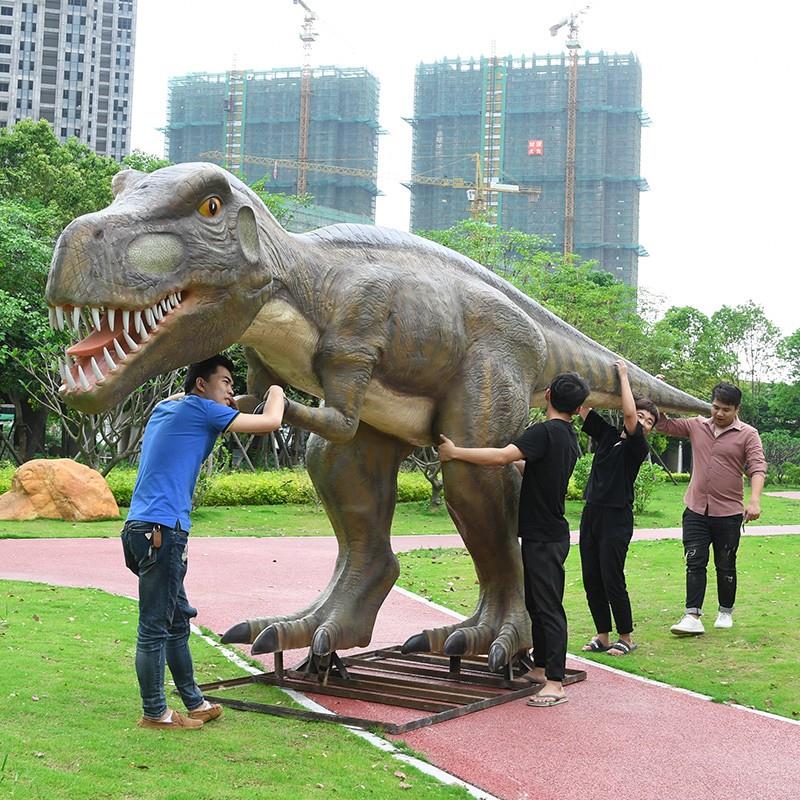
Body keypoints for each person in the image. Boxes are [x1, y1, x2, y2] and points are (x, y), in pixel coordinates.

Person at [121, 354, 286, 729]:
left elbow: (230, 407)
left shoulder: (169, 407)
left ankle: (194, 703)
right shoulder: (202, 412)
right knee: (154, 628)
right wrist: (278, 389)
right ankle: (155, 713)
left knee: (177, 621)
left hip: (139, 530)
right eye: (226, 381)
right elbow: (271, 421)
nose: (232, 391)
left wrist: (231, 399)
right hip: (164, 532)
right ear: (201, 385)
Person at [438, 371, 590, 708]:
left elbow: (504, 456)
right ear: (579, 407)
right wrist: (518, 465)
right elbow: (529, 468)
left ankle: (555, 681)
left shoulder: (545, 431)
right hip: (545, 533)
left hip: (545, 536)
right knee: (536, 603)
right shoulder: (566, 435)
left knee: (549, 608)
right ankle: (540, 668)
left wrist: (455, 452)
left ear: (548, 394)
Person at [656, 381, 767, 636]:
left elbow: (758, 467)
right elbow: (663, 424)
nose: (719, 413)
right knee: (695, 561)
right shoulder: (696, 425)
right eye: (715, 407)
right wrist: (659, 391)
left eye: (725, 409)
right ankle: (692, 615)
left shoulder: (748, 434)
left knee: (725, 564)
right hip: (695, 509)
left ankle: (725, 610)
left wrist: (754, 500)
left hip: (728, 513)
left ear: (736, 409)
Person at [577, 360, 659, 656]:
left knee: (612, 576)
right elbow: (583, 409)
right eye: (641, 415)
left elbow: (627, 414)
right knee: (591, 576)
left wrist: (624, 375)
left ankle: (626, 637)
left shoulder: (638, 447)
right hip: (592, 513)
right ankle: (602, 635)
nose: (642, 421)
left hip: (617, 517)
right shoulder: (608, 435)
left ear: (649, 429)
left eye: (648, 420)